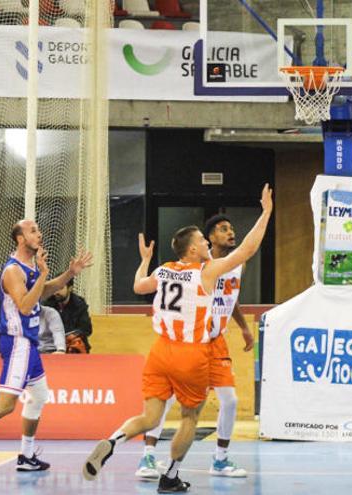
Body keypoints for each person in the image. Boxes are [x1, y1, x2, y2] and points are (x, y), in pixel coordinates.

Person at [83, 184, 272, 494]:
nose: (206, 245)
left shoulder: (164, 270)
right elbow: (247, 250)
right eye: (202, 241)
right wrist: (265, 213)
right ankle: (171, 475)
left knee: (149, 416)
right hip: (190, 353)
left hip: (159, 352)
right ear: (193, 249)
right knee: (189, 418)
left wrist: (144, 259)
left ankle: (113, 440)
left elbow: (138, 287)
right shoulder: (205, 272)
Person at [0, 219, 93, 478]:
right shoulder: (13, 270)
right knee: (5, 405)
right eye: (33, 231)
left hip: (30, 344)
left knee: (39, 396)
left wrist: (70, 273)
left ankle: (26, 455)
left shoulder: (29, 266)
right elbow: (25, 306)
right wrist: (44, 274)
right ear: (20, 238)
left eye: (38, 229)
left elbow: (42, 292)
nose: (39, 233)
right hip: (18, 343)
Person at [137, 214, 255, 479]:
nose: (230, 232)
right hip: (191, 342)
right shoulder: (200, 267)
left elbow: (230, 297)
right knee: (166, 399)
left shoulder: (236, 265)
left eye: (232, 227)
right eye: (223, 229)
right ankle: (147, 455)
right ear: (209, 238)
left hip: (217, 341)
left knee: (230, 400)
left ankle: (220, 459)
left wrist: (245, 327)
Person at [44, 278, 93, 352]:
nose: (56, 292)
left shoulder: (79, 304)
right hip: (53, 344)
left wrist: (72, 336)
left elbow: (87, 329)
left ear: (70, 288)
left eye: (60, 288)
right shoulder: (47, 304)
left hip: (72, 344)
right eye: (54, 288)